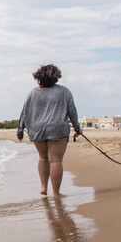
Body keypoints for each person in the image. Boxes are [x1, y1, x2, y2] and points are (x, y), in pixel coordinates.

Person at [17, 64, 81, 197]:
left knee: (43, 157)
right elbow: (72, 111)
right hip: (57, 129)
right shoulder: (64, 92)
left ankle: (44, 186)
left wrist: (20, 129)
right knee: (55, 160)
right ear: (56, 77)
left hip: (37, 129)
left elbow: (24, 112)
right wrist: (77, 127)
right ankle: (56, 193)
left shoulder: (33, 93)